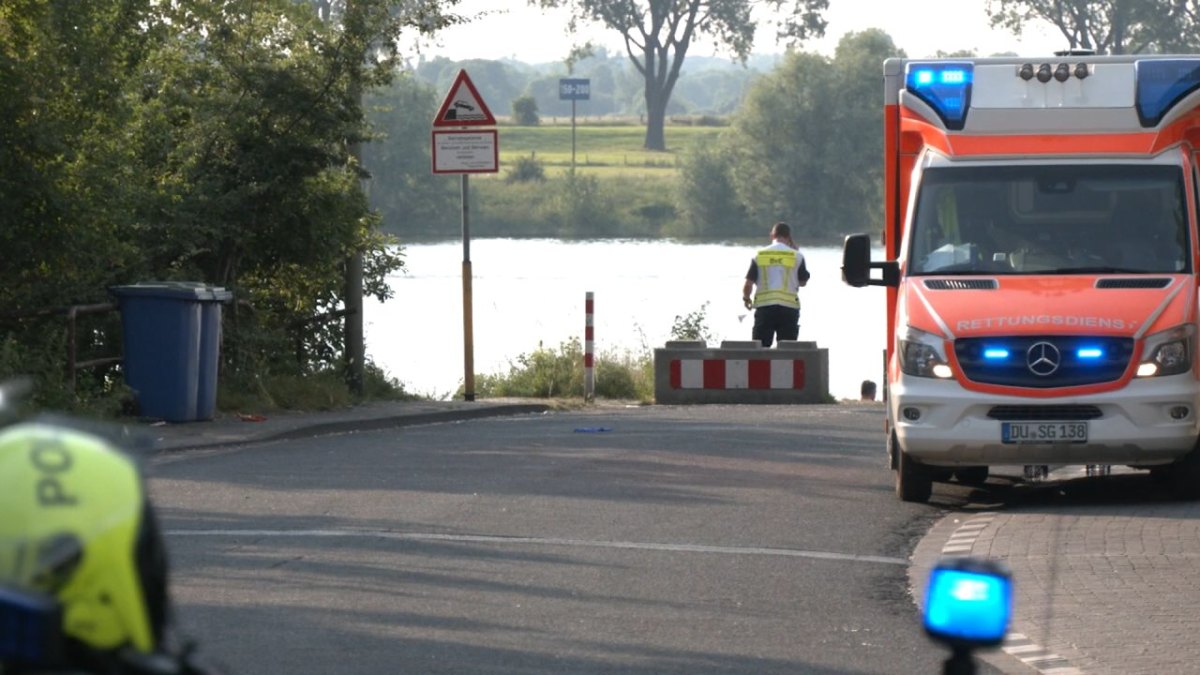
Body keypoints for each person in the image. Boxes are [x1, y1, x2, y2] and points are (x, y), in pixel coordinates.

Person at [742, 222, 810, 347]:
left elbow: (748, 284)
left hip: (765, 308)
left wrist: (746, 298)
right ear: (789, 237)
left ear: (771, 235)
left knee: (760, 350)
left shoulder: (759, 255)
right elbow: (803, 282)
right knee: (788, 351)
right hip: (789, 309)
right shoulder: (797, 256)